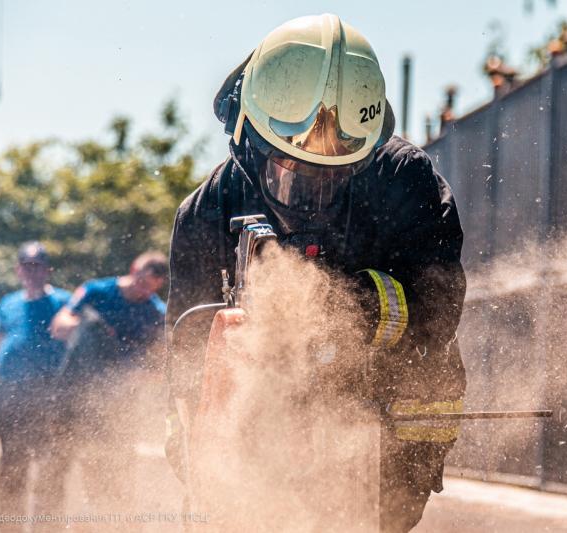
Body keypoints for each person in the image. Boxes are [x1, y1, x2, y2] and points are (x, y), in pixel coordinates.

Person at [165, 14, 467, 533]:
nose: (310, 201)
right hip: (258, 428)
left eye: (332, 181)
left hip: (389, 425)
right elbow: (186, 350)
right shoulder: (207, 211)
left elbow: (438, 307)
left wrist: (344, 310)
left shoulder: (402, 179)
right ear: (246, 140)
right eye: (289, 177)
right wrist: (200, 448)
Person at [49, 251, 167, 518]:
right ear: (134, 269)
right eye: (143, 284)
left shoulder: (155, 311)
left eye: (152, 289)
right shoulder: (95, 292)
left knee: (113, 472)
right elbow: (60, 324)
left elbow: (161, 366)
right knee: (55, 466)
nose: (144, 292)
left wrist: (135, 375)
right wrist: (87, 326)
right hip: (72, 396)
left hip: (117, 405)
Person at [0, 241, 71, 529]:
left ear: (48, 270)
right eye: (27, 266)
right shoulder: (8, 303)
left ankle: (48, 526)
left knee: (51, 467)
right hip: (12, 398)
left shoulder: (64, 302)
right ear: (19, 270)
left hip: (51, 399)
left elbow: (77, 341)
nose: (32, 271)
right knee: (12, 467)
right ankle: (10, 526)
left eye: (38, 266)